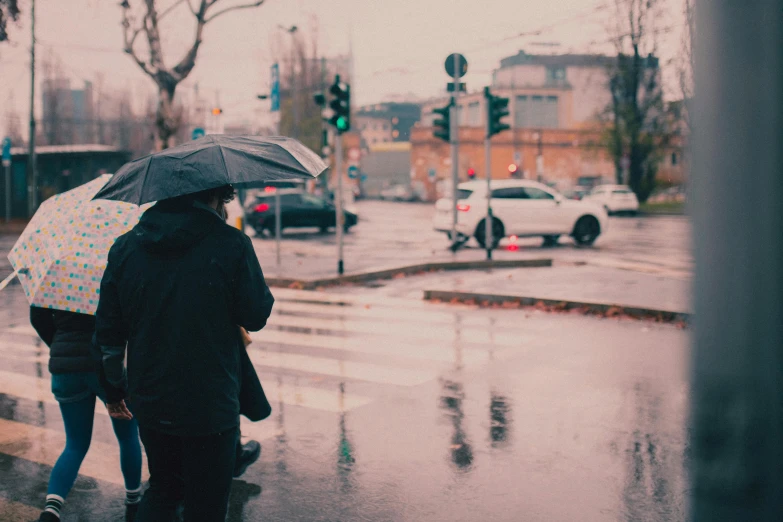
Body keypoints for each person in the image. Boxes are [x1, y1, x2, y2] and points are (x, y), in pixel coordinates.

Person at [95, 185, 275, 521]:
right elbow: (256, 315)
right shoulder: (231, 244)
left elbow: (108, 328)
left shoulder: (125, 247)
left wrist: (113, 389)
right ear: (213, 197)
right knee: (206, 504)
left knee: (163, 490)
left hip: (149, 396)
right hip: (210, 401)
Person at [30, 307, 142, 522]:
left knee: (75, 444)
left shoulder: (55, 274)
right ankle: (133, 503)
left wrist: (60, 343)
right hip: (109, 365)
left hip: (66, 366)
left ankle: (51, 512)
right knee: (128, 437)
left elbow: (37, 316)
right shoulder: (110, 273)